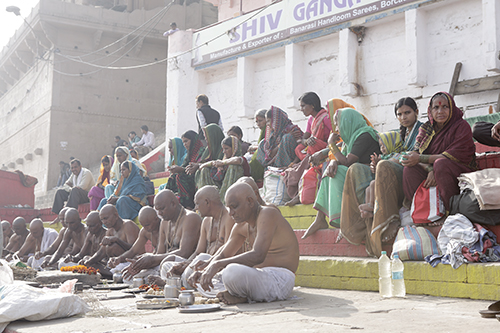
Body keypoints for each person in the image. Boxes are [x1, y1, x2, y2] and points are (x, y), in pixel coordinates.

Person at [187, 183, 299, 304]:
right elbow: (223, 255)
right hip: (256, 277)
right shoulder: (240, 225)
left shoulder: (267, 214)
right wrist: (206, 271)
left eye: (234, 207)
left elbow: (258, 255)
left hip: (280, 279)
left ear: (250, 201)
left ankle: (241, 294)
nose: (231, 213)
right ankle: (241, 295)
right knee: (200, 279)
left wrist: (217, 265)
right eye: (229, 208)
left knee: (231, 272)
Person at [341, 97, 423, 256]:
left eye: (407, 113)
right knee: (357, 168)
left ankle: (388, 219)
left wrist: (387, 162)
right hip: (396, 167)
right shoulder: (400, 133)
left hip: (415, 171)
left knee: (384, 166)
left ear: (416, 112)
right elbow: (392, 154)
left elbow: (416, 154)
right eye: (399, 114)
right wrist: (377, 164)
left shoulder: (422, 130)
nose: (403, 117)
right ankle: (366, 217)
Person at [302, 108, 380, 239]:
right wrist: (333, 162)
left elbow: (348, 161)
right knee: (329, 171)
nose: (337, 128)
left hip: (369, 174)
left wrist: (331, 144)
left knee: (337, 173)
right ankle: (320, 219)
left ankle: (344, 223)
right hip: (355, 172)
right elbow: (342, 160)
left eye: (337, 123)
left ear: (347, 121)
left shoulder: (364, 135)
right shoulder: (351, 137)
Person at [402, 92, 476, 214]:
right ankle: (422, 212)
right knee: (409, 169)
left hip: (458, 170)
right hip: (433, 169)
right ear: (430, 110)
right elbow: (413, 156)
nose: (440, 111)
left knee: (441, 164)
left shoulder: (461, 126)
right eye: (436, 107)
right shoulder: (426, 129)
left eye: (445, 107)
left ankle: (449, 212)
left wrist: (433, 167)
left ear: (451, 108)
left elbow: (451, 156)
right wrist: (430, 169)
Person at [155, 186, 236, 288]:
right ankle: (175, 283)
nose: (196, 208)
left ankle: (174, 283)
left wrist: (207, 264)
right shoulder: (206, 221)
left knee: (199, 261)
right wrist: (185, 263)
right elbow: (198, 251)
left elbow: (228, 252)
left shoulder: (229, 217)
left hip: (219, 264)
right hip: (204, 263)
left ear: (207, 202)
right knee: (168, 265)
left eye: (197, 203)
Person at [119, 190, 201, 281]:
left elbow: (185, 252)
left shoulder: (190, 218)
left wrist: (152, 259)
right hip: (165, 264)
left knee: (166, 264)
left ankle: (165, 281)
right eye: (157, 210)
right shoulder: (164, 222)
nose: (160, 213)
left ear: (173, 204)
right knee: (133, 278)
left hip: (184, 264)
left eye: (162, 209)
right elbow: (160, 253)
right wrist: (141, 265)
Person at [284, 92, 332, 206]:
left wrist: (314, 142)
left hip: (325, 150)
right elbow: (304, 138)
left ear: (313, 105)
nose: (301, 109)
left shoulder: (325, 118)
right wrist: (308, 141)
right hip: (312, 150)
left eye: (303, 106)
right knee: (299, 148)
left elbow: (335, 137)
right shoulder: (311, 119)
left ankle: (297, 196)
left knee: (311, 148)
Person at [111, 206, 163, 281]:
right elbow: (133, 251)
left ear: (156, 219)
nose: (145, 228)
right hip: (153, 261)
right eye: (143, 225)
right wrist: (119, 259)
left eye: (147, 225)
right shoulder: (145, 231)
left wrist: (148, 261)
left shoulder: (165, 227)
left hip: (163, 261)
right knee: (129, 278)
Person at [359, 131, 404, 218]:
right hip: (384, 181)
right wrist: (375, 165)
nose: (382, 148)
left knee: (373, 183)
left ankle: (372, 205)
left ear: (392, 144)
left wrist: (379, 163)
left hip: (395, 183)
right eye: (380, 145)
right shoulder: (384, 157)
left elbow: (390, 165)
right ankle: (369, 208)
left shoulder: (397, 155)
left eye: (384, 145)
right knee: (368, 188)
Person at [87, 204, 140, 275]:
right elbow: (102, 252)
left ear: (116, 215)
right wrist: (88, 262)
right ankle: (112, 274)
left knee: (114, 247)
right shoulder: (110, 230)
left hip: (131, 262)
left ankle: (112, 274)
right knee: (89, 262)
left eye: (106, 218)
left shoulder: (128, 225)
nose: (104, 222)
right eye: (102, 219)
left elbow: (134, 250)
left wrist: (117, 240)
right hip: (116, 264)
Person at [196, 136, 250, 203]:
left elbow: (238, 160)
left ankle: (229, 201)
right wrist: (203, 165)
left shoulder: (241, 160)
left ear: (234, 148)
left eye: (226, 148)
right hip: (223, 191)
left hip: (240, 191)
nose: (224, 152)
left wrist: (222, 163)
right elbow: (214, 163)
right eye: (223, 149)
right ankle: (206, 202)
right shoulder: (225, 162)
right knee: (205, 170)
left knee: (233, 166)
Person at [162, 130, 207, 209]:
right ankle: (167, 202)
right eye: (183, 142)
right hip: (190, 176)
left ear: (193, 140)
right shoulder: (189, 154)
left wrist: (181, 170)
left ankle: (188, 205)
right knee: (173, 177)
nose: (184, 144)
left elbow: (202, 167)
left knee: (180, 177)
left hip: (198, 177)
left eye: (186, 141)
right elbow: (184, 167)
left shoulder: (202, 151)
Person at [248, 109, 267, 184]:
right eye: (257, 122)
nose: (258, 124)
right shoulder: (263, 131)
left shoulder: (268, 129)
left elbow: (266, 145)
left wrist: (254, 147)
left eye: (260, 120)